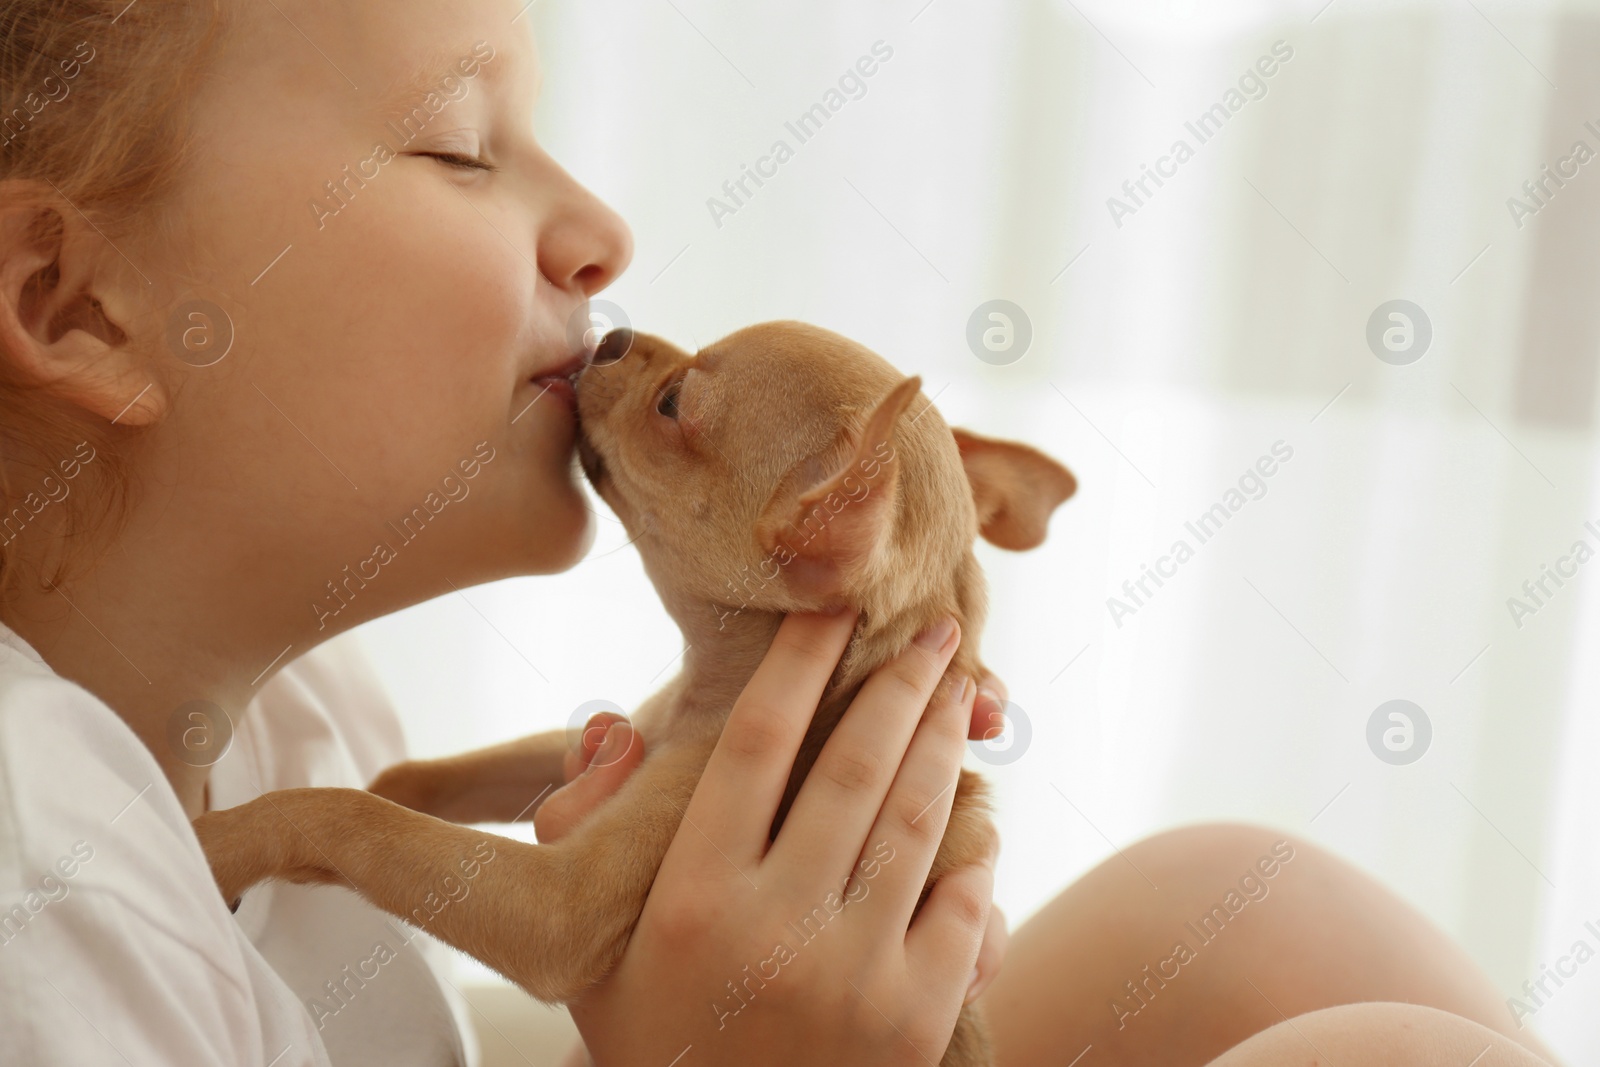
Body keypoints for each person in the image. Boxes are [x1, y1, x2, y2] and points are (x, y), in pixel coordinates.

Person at [0, 1, 1566, 1064]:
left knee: (1250, 914)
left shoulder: (292, 710)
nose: (607, 233)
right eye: (463, 145)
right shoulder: (41, 905)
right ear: (73, 303)